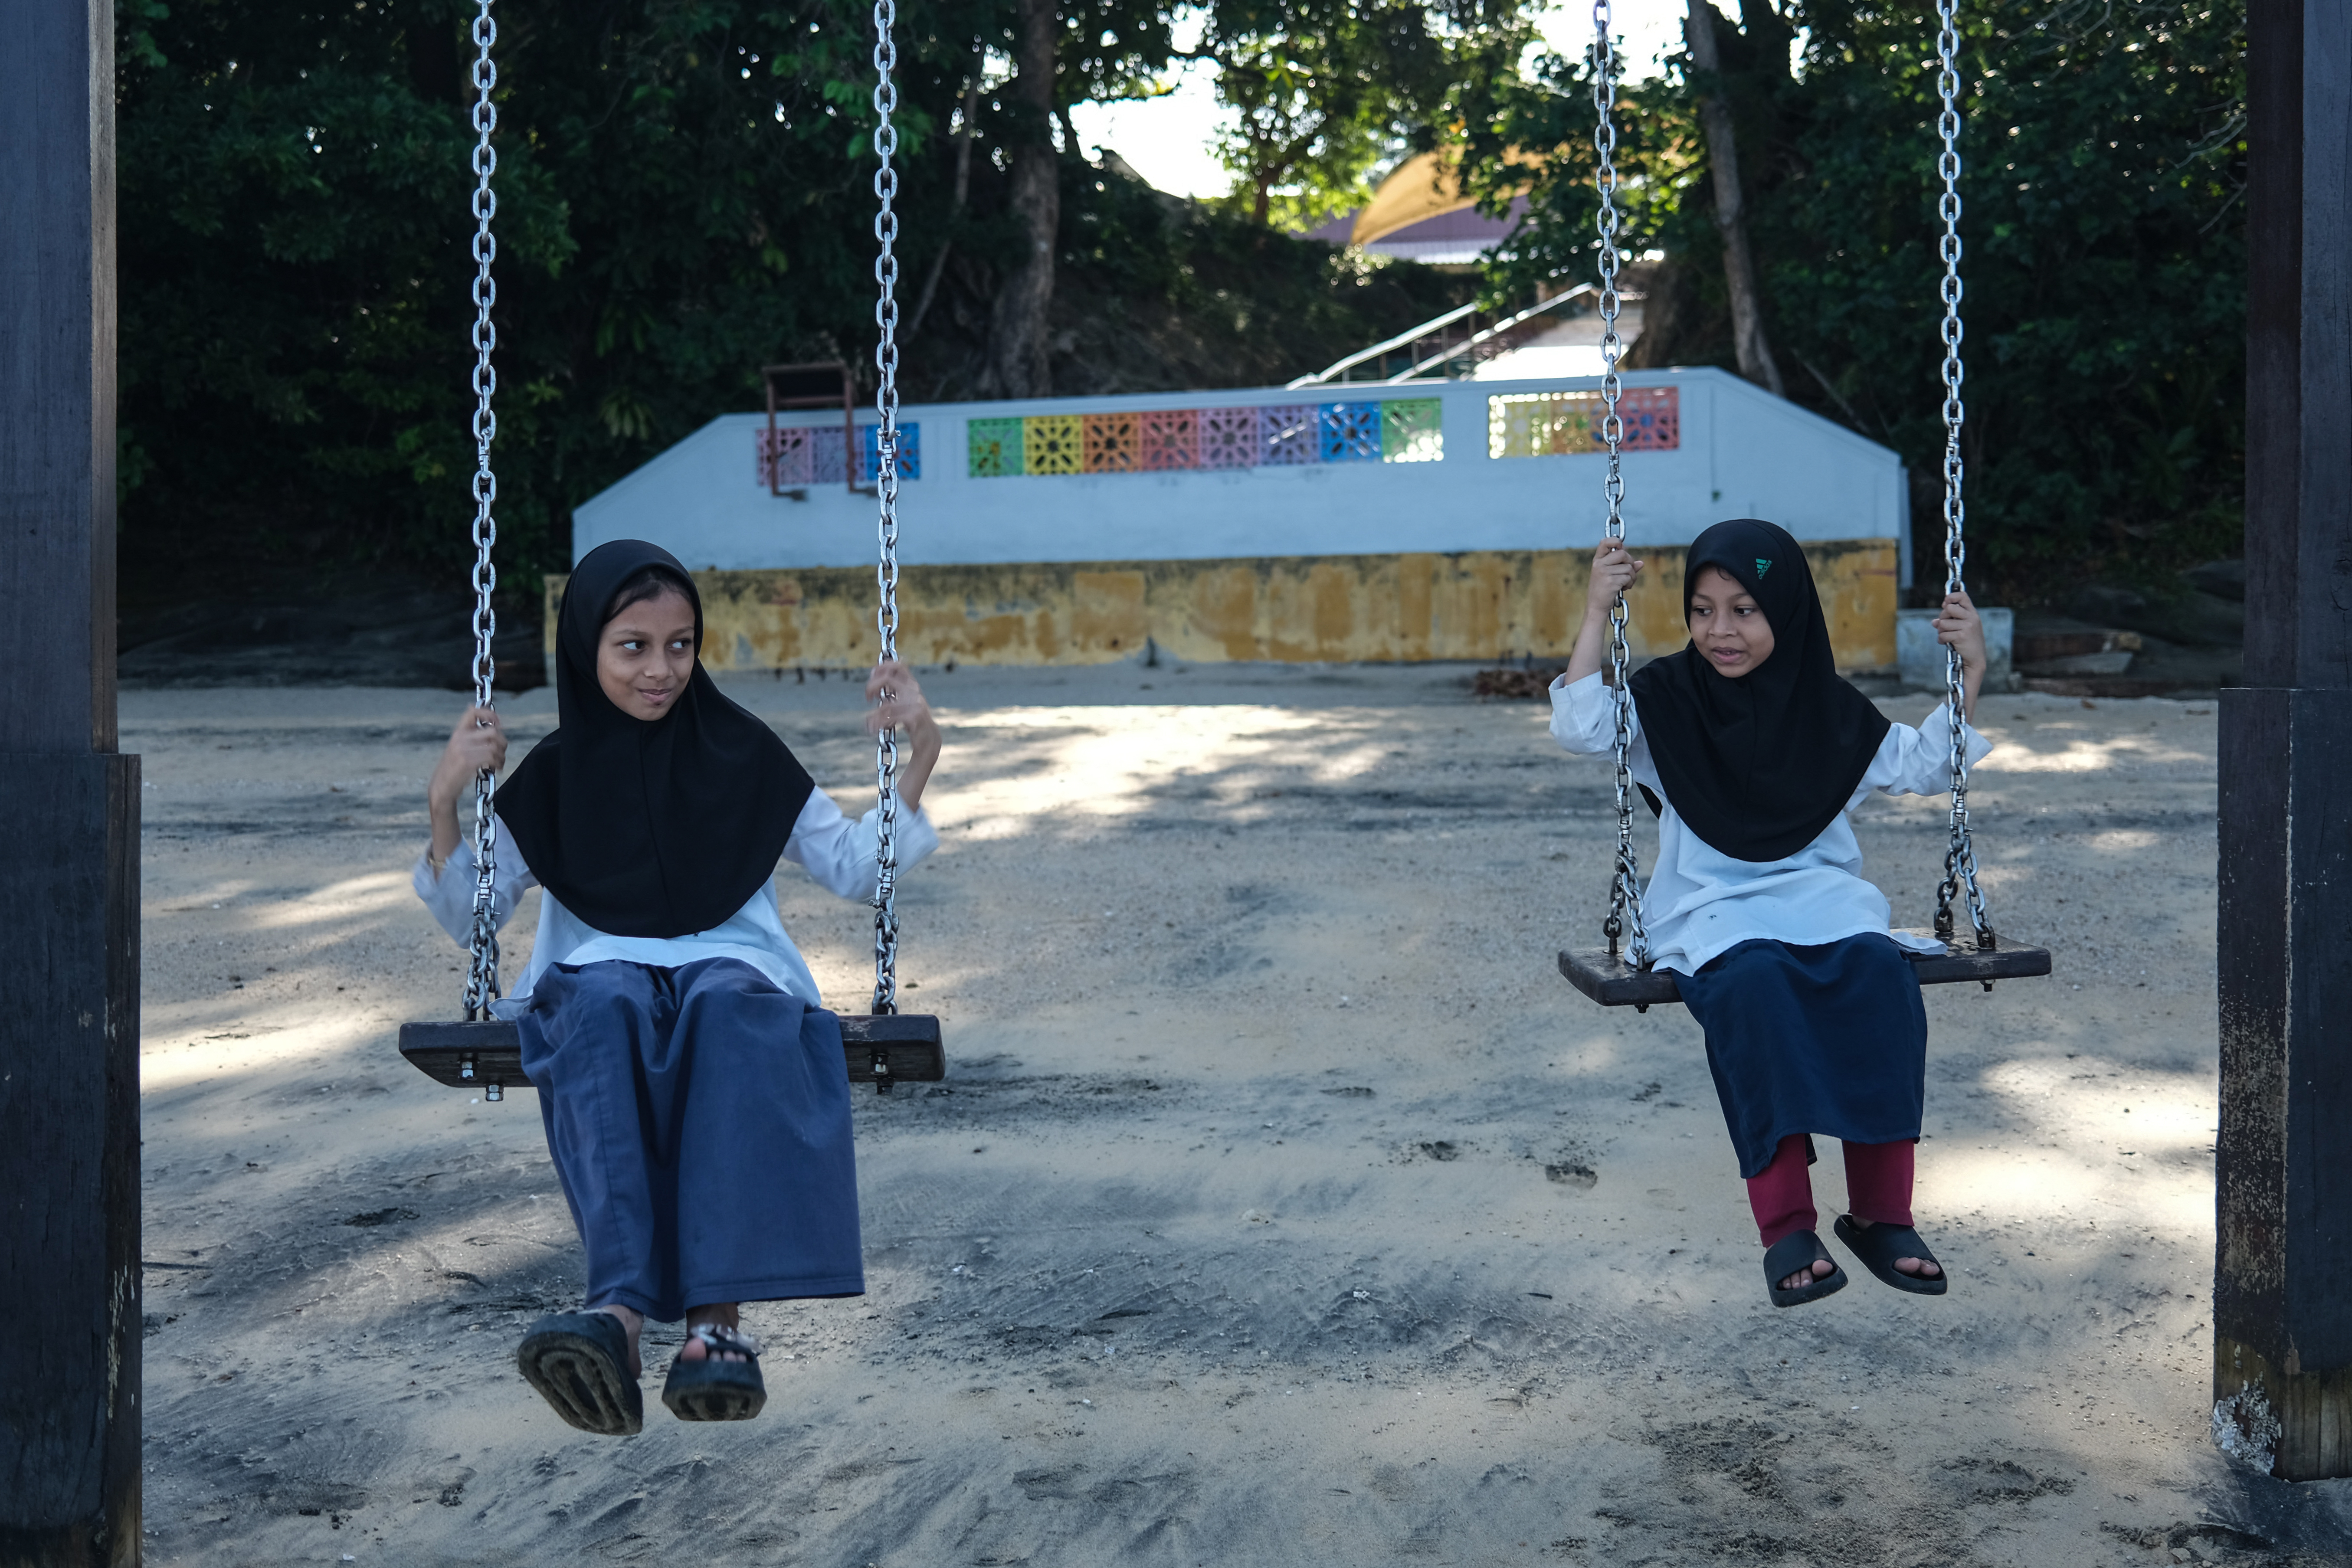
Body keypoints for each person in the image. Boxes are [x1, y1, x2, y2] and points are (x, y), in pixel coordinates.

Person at [413, 538, 942, 1432]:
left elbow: (857, 867)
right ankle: (616, 1320)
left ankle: (714, 1327)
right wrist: (444, 801)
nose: (660, 670)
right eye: (633, 646)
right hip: (597, 968)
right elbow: (475, 914)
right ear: (586, 648)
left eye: (680, 645)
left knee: (728, 1010)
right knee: (602, 1005)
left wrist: (920, 753)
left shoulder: (744, 753)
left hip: (732, 962)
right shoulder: (554, 776)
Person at [1548, 519, 1990, 1308]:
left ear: (1785, 611)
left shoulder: (1830, 712)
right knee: (1753, 990)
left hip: (1824, 905)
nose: (1720, 630)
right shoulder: (1666, 700)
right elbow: (1580, 725)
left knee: (1879, 975)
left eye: (1744, 610)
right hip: (1711, 913)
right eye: (1702, 610)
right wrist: (1595, 611)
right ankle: (1786, 1225)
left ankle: (1882, 1215)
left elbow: (1928, 765)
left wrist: (1971, 668)